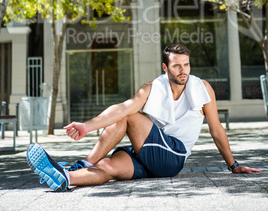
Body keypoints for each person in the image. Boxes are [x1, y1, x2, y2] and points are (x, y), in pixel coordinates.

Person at [26, 44, 262, 191]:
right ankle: (66, 177)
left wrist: (234, 165)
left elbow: (216, 130)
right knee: (108, 166)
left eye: (186, 65)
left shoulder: (203, 88)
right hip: (149, 153)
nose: (183, 70)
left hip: (174, 156)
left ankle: (82, 163)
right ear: (165, 67)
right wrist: (86, 126)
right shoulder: (152, 88)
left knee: (129, 117)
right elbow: (120, 107)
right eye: (177, 66)